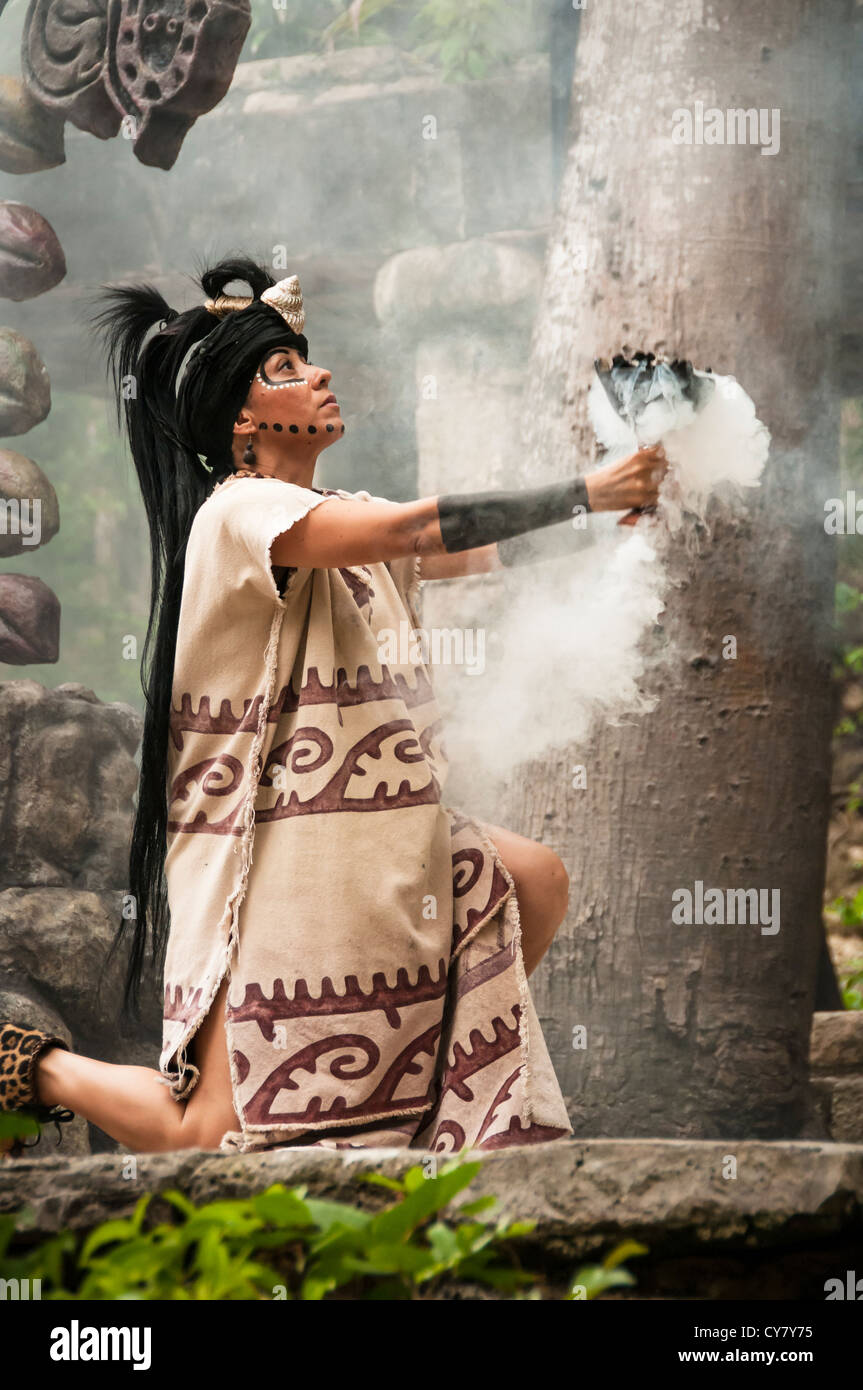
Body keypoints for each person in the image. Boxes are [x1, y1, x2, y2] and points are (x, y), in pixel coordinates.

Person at [0, 255, 666, 1157]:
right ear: (238, 421)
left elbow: (470, 554)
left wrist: (596, 514)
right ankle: (28, 1068)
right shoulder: (238, 516)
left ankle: (432, 1086)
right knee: (207, 1131)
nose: (318, 376)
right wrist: (587, 490)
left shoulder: (335, 519)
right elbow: (413, 529)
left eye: (305, 362)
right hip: (277, 860)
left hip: (382, 840)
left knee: (530, 879)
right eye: (284, 370)